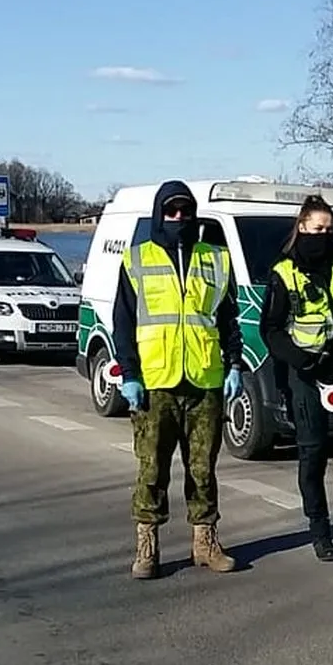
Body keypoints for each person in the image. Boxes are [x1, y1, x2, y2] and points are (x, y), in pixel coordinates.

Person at [111, 180, 245, 579]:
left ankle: (205, 542)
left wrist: (235, 365)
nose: (179, 217)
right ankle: (147, 546)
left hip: (205, 380)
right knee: (151, 469)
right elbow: (122, 323)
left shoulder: (216, 259)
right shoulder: (137, 259)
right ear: (159, 214)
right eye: (171, 211)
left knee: (203, 469)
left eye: (186, 211)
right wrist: (130, 374)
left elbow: (229, 319)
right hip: (155, 382)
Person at [259, 195, 333, 564]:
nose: (324, 235)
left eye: (329, 229)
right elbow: (271, 330)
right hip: (307, 374)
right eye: (317, 229)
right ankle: (320, 533)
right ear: (302, 227)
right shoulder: (283, 272)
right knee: (313, 453)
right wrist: (302, 361)